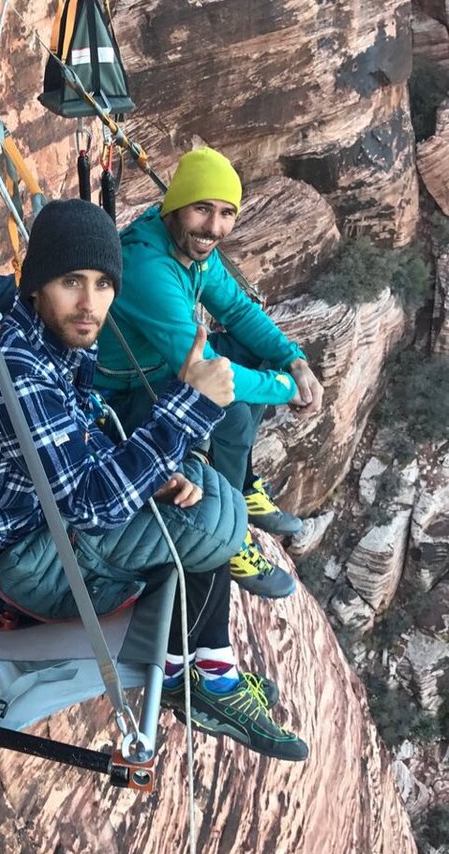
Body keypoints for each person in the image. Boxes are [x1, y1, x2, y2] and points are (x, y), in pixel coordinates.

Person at [0, 199, 308, 762]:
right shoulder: (17, 368)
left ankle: (206, 666)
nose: (89, 303)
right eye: (71, 281)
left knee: (201, 488)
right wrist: (191, 405)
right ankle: (198, 678)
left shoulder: (54, 342)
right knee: (208, 524)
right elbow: (89, 505)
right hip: (2, 564)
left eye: (103, 284)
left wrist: (157, 473)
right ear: (35, 287)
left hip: (32, 519)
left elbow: (80, 441)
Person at [95, 147, 325, 599]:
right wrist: (286, 389)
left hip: (164, 366)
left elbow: (237, 310)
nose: (214, 228)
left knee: (261, 358)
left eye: (226, 214)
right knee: (232, 412)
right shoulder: (148, 267)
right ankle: (231, 531)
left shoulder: (194, 252)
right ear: (176, 206)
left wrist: (293, 360)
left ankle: (239, 483)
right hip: (123, 393)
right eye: (202, 209)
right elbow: (203, 374)